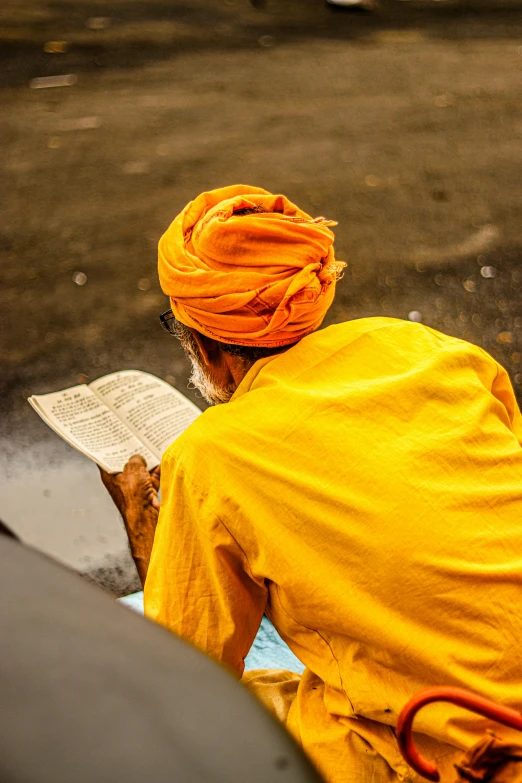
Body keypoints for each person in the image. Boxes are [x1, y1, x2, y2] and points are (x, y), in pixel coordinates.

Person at [101, 185, 522, 783]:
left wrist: (146, 532)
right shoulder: (434, 353)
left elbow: (182, 683)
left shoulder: (212, 454)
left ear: (206, 349)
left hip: (456, 757)